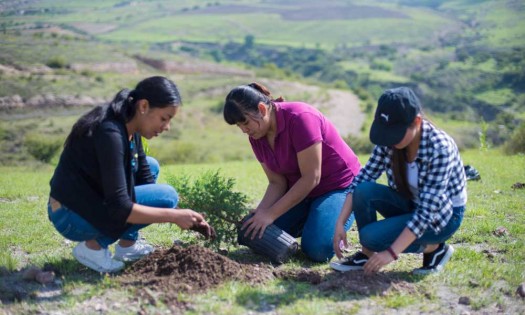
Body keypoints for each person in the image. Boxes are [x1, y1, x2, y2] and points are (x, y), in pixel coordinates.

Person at [48, 76, 215, 273]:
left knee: (152, 168)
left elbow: (146, 182)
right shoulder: (110, 134)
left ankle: (127, 246)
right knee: (167, 195)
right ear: (143, 106)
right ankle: (92, 248)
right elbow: (121, 207)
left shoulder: (130, 128)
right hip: (70, 216)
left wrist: (187, 218)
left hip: (87, 203)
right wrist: (173, 215)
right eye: (164, 118)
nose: (167, 127)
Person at [331, 87, 467, 275]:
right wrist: (340, 222)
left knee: (370, 236)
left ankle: (434, 248)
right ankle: (367, 255)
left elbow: (427, 212)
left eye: (396, 133)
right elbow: (363, 178)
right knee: (363, 190)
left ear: (416, 122)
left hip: (442, 216)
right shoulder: (389, 141)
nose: (390, 139)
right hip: (410, 202)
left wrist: (391, 253)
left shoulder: (439, 148)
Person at [223, 83, 361, 262]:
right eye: (238, 126)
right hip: (302, 192)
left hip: (339, 187)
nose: (244, 130)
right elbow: (276, 182)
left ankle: (336, 217)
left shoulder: (300, 117)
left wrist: (271, 214)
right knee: (253, 231)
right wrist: (261, 212)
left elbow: (312, 177)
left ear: (262, 109)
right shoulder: (256, 135)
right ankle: (315, 219)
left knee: (318, 249)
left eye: (245, 122)